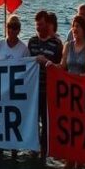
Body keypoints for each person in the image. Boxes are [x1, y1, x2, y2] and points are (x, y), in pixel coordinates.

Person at [28, 10, 63, 152]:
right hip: (33, 90)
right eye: (36, 25)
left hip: (48, 90)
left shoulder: (56, 44)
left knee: (46, 124)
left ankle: (44, 152)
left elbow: (61, 67)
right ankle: (32, 149)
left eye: (41, 24)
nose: (38, 27)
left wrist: (46, 62)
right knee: (32, 122)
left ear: (47, 24)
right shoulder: (31, 42)